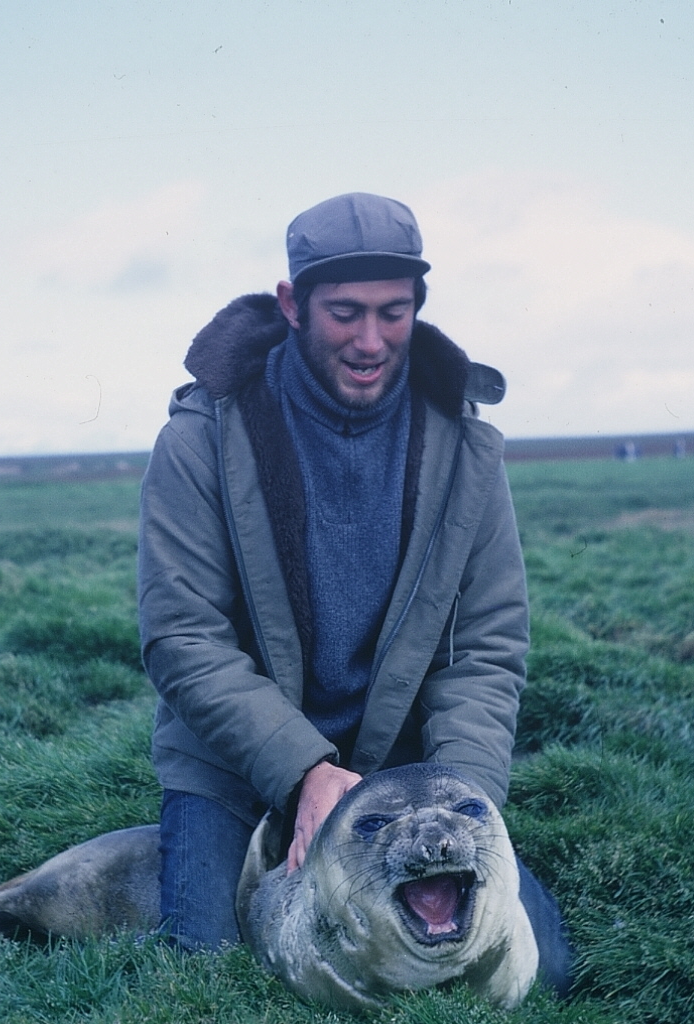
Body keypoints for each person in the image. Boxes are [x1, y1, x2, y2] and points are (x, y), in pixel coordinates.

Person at [137, 192, 570, 990]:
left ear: (418, 307)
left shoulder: (467, 448)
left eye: (392, 312)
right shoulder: (199, 439)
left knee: (543, 977)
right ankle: (190, 842)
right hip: (235, 769)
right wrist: (305, 772)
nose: (371, 340)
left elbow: (488, 642)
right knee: (213, 972)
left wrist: (461, 795)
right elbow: (180, 637)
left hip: (403, 769)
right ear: (292, 304)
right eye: (344, 312)